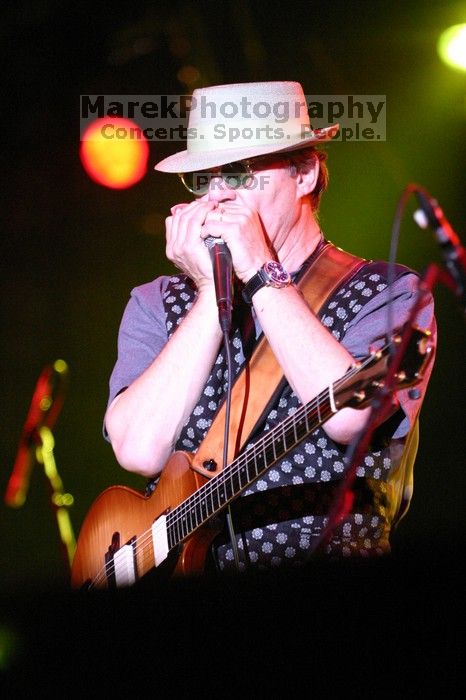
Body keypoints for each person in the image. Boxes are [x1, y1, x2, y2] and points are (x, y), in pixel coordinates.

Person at [104, 81, 436, 573]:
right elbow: (138, 450)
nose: (217, 197)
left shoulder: (388, 292)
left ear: (305, 173)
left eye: (237, 174)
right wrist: (205, 295)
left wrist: (262, 272)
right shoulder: (157, 301)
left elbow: (349, 421)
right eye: (205, 177)